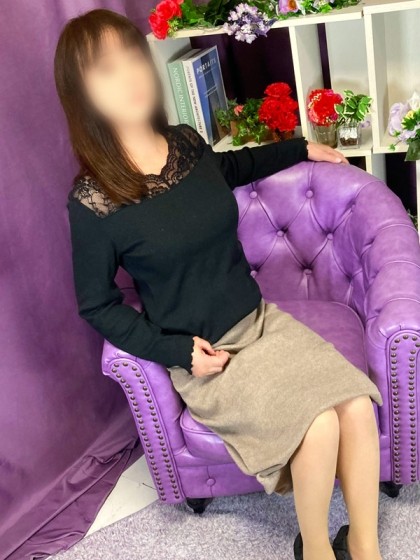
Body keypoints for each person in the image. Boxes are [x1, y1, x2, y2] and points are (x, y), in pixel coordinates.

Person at [55, 9, 383, 560]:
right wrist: (176, 352)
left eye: (133, 57)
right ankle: (317, 551)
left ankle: (366, 548)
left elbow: (229, 170)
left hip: (261, 322)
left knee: (354, 406)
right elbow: (97, 305)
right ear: (81, 93)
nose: (130, 75)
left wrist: (301, 148)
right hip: (210, 358)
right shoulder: (93, 202)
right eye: (106, 69)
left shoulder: (184, 143)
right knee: (320, 425)